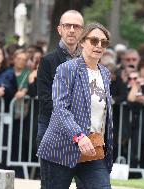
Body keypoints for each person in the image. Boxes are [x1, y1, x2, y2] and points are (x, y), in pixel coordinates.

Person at [37, 22, 113, 189]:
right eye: (94, 41)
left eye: (104, 42)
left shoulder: (105, 74)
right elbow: (60, 108)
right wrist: (78, 136)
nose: (99, 45)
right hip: (61, 148)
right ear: (82, 42)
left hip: (93, 148)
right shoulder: (67, 69)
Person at [36, 10, 84, 187]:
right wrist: (70, 121)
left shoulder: (89, 63)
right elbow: (45, 99)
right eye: (67, 26)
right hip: (52, 129)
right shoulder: (48, 61)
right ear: (59, 29)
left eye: (76, 26)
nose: (71, 30)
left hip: (83, 132)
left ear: (82, 31)